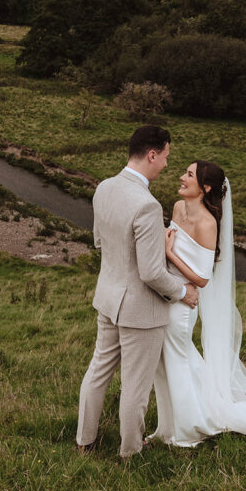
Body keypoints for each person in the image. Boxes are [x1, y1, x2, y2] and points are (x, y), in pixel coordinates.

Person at [76, 126, 200, 459]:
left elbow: (100, 242)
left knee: (98, 371)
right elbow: (151, 272)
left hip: (108, 298)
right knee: (135, 386)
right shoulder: (146, 205)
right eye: (166, 157)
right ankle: (130, 451)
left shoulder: (104, 187)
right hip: (140, 311)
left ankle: (84, 441)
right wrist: (182, 292)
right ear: (152, 154)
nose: (167, 166)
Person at [149, 160, 246, 454]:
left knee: (177, 361)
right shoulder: (176, 207)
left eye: (189, 174)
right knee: (166, 363)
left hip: (183, 303)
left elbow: (203, 277)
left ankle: (187, 430)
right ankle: (168, 426)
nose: (181, 177)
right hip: (165, 293)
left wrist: (169, 254)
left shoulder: (207, 223)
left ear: (206, 187)